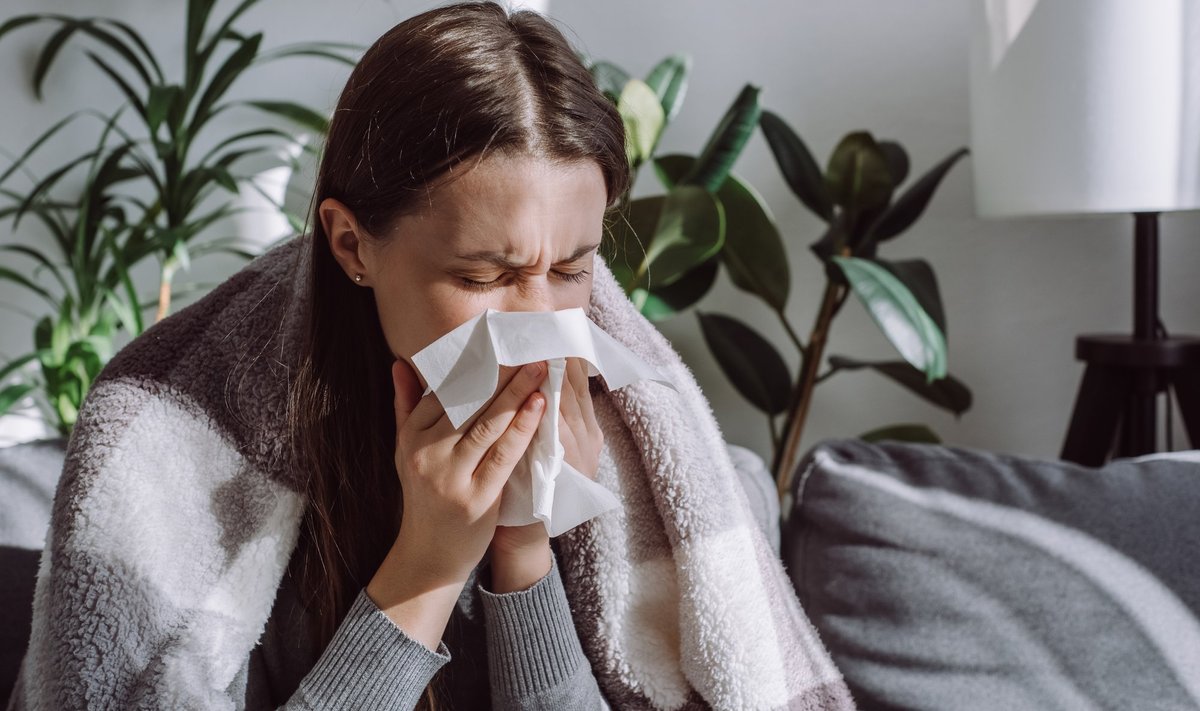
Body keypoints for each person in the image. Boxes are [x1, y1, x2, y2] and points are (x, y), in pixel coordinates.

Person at [8, 2, 855, 709]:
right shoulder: (183, 436)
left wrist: (524, 548)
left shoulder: (612, 415)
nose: (541, 318)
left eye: (571, 270)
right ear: (351, 245)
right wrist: (429, 563)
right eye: (486, 274)